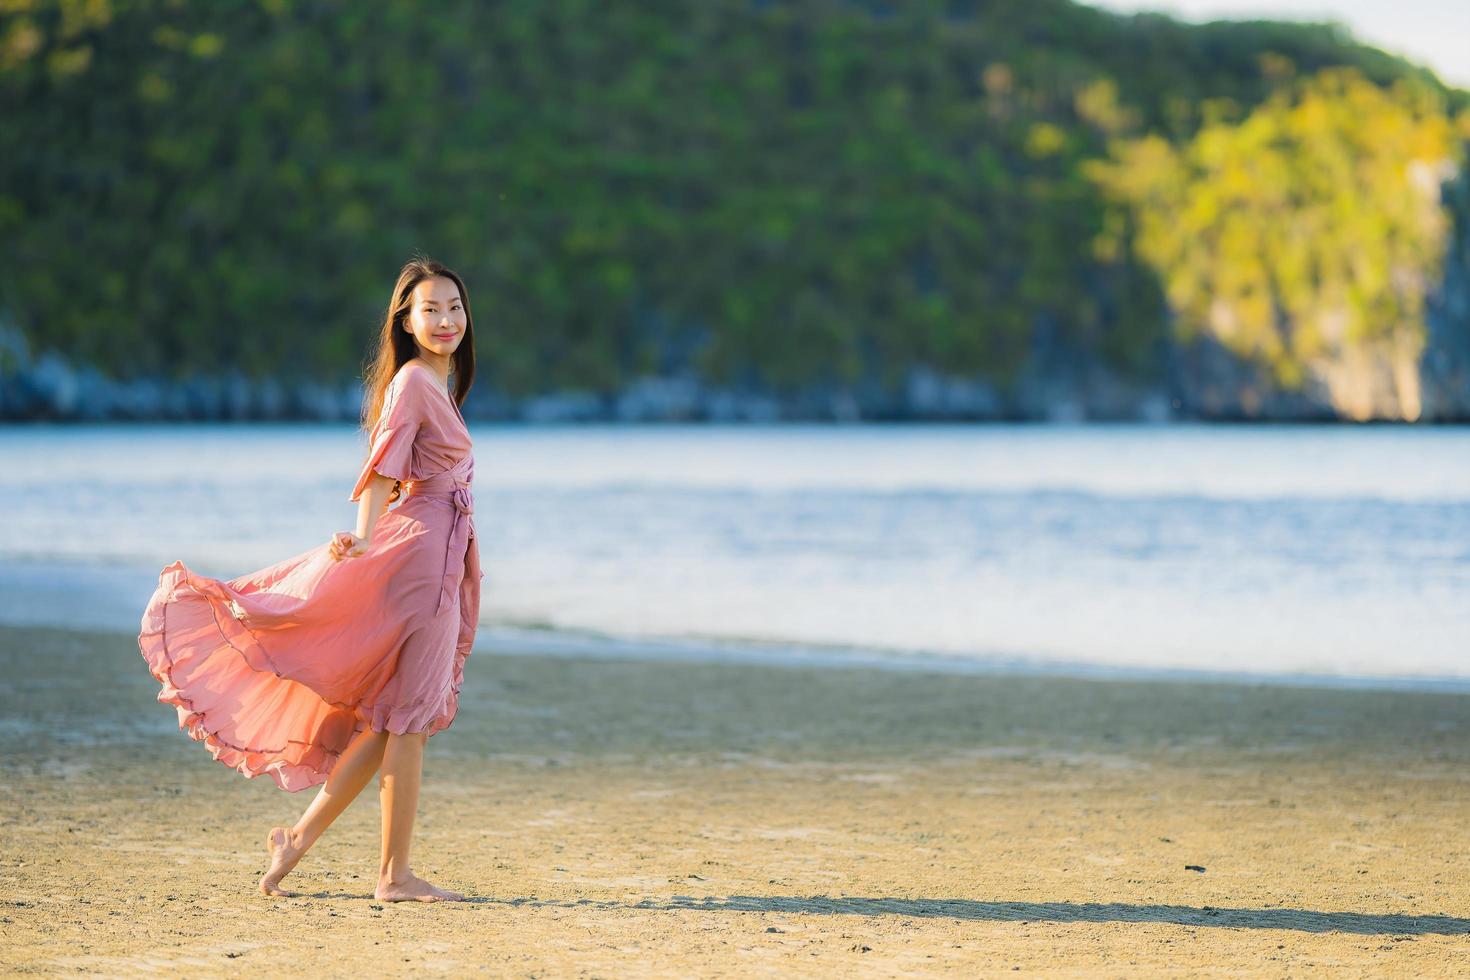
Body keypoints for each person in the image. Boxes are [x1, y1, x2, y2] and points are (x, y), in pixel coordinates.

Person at [137, 257, 482, 903]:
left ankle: (295, 842)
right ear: (404, 321)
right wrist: (365, 533)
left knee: (388, 723)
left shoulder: (436, 383)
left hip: (432, 553)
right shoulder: (413, 384)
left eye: (454, 307)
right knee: (406, 721)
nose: (445, 320)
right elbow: (381, 469)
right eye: (430, 309)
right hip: (421, 562)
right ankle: (394, 877)